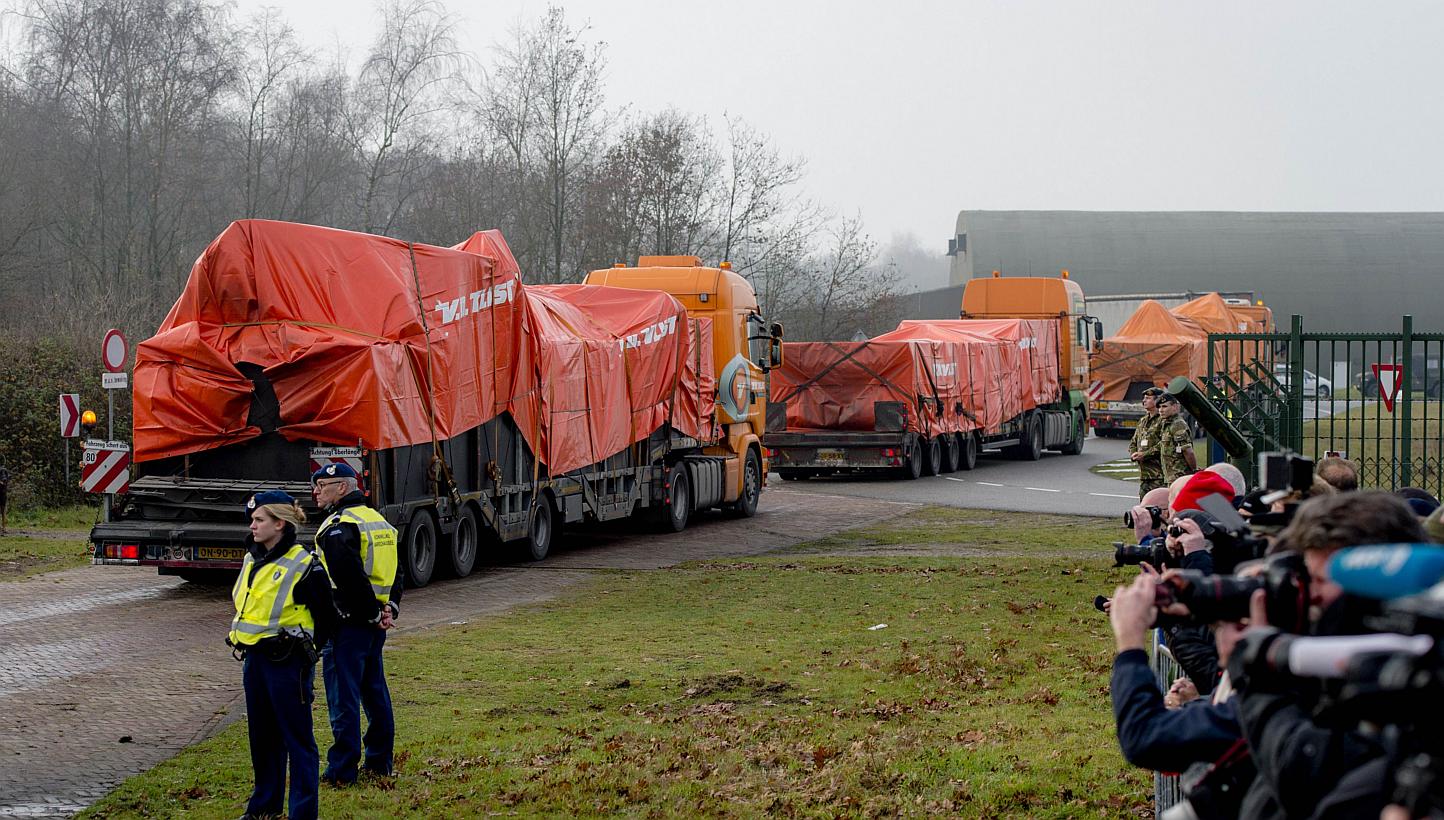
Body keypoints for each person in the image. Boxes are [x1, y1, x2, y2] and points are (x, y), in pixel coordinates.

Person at [229, 490, 336, 820]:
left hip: (288, 662)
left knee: (297, 740)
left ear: (280, 524)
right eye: (252, 520)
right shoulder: (252, 559)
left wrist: (306, 654)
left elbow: (327, 617)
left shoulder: (305, 565)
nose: (252, 526)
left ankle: (302, 813)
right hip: (255, 660)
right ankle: (264, 807)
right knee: (262, 738)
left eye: (259, 520)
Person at [311, 462, 402, 786]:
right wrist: (389, 608)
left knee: (343, 697)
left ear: (342, 487)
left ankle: (342, 769)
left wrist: (372, 613)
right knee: (375, 693)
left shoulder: (339, 526)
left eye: (322, 485)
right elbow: (396, 571)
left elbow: (349, 578)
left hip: (348, 624)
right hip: (373, 625)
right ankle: (379, 762)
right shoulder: (379, 522)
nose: (316, 492)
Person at [1129, 387, 1166, 499]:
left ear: (1157, 401)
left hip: (1159, 475)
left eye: (1148, 398)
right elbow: (1134, 441)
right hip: (1145, 475)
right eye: (1144, 398)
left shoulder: (1163, 421)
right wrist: (1134, 453)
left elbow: (1165, 444)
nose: (1144, 401)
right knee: (1144, 504)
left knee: (1158, 504)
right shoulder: (1143, 421)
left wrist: (1144, 454)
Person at [1155, 393, 1197, 484]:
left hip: (1179, 476)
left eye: (1164, 406)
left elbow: (1188, 451)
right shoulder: (1167, 423)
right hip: (1171, 476)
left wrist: (1194, 470)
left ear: (1174, 407)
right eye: (1159, 407)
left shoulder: (1178, 424)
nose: (1161, 410)